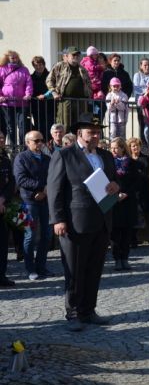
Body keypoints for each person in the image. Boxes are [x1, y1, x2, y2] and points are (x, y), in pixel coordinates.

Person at [47, 112, 120, 331]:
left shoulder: (106, 156)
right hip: (75, 222)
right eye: (92, 132)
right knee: (74, 269)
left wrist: (116, 188)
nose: (96, 135)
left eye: (98, 132)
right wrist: (57, 219)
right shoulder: (65, 155)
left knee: (94, 268)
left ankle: (89, 310)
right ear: (80, 133)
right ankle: (73, 313)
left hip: (102, 220)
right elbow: (54, 189)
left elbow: (112, 183)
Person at [14, 130, 53, 280]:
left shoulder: (47, 158)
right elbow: (21, 179)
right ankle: (30, 269)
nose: (39, 143)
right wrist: (40, 188)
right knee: (30, 236)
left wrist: (45, 190)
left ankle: (41, 266)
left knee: (47, 235)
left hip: (45, 201)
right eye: (36, 141)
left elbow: (53, 177)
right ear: (27, 142)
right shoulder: (21, 158)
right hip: (28, 202)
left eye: (41, 140)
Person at [109, 137, 139, 271]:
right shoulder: (108, 163)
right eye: (112, 147)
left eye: (116, 147)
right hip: (114, 201)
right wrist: (116, 194)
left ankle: (125, 258)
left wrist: (126, 193)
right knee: (115, 232)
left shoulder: (132, 163)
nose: (113, 150)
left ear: (122, 148)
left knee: (127, 232)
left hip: (128, 200)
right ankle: (117, 259)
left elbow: (136, 181)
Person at [46, 46, 91, 129]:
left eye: (77, 55)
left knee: (80, 126)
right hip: (65, 100)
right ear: (67, 56)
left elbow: (88, 84)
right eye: (73, 55)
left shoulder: (82, 69)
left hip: (81, 101)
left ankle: (78, 142)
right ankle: (65, 142)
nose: (76, 57)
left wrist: (88, 95)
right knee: (65, 125)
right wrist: (54, 92)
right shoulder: (59, 66)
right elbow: (49, 80)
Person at [0, 50, 33, 147]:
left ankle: (23, 146)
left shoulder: (24, 69)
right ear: (7, 58)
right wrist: (1, 96)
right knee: (10, 127)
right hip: (6, 103)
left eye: (16, 57)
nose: (14, 59)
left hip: (21, 103)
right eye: (12, 57)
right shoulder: (2, 69)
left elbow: (28, 83)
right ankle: (12, 147)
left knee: (23, 126)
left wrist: (28, 94)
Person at [126, 137, 149, 248]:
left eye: (137, 146)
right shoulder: (127, 159)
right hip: (130, 190)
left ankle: (134, 237)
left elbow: (145, 174)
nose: (135, 148)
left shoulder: (145, 158)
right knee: (131, 214)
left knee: (140, 214)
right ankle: (131, 238)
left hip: (142, 190)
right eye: (133, 146)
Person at [0, 132, 15, 287]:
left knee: (3, 243)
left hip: (5, 206)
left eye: (3, 139)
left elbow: (11, 181)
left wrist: (3, 199)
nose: (2, 141)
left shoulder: (5, 158)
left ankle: (2, 275)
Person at [132, 58, 149, 141]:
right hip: (141, 100)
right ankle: (143, 143)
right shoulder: (137, 75)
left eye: (148, 65)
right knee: (142, 122)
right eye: (145, 65)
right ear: (141, 66)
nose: (147, 67)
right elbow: (136, 88)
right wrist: (147, 92)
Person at [29, 56, 55, 136]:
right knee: (38, 126)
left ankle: (49, 144)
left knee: (49, 126)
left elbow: (53, 87)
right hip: (36, 106)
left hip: (49, 105)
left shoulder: (50, 75)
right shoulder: (31, 77)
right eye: (36, 65)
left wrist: (44, 95)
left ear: (44, 65)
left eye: (40, 64)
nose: (38, 67)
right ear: (33, 66)